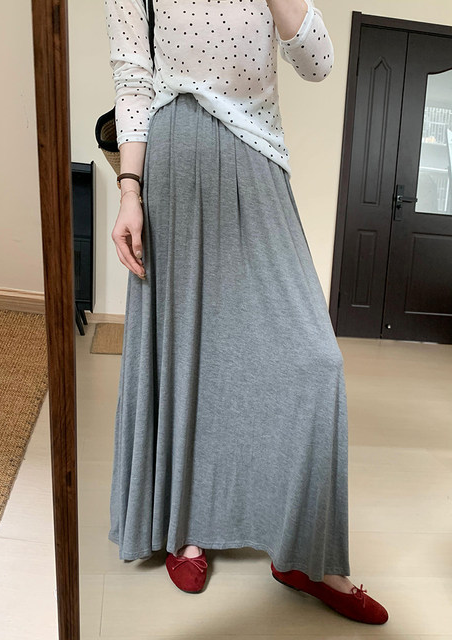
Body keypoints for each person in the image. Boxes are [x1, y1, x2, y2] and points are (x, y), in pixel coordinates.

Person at [103, 0, 389, 625]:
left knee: (316, 361)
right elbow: (133, 78)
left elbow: (317, 61)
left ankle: (307, 556)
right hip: (174, 163)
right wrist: (129, 189)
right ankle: (188, 526)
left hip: (257, 159)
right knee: (192, 356)